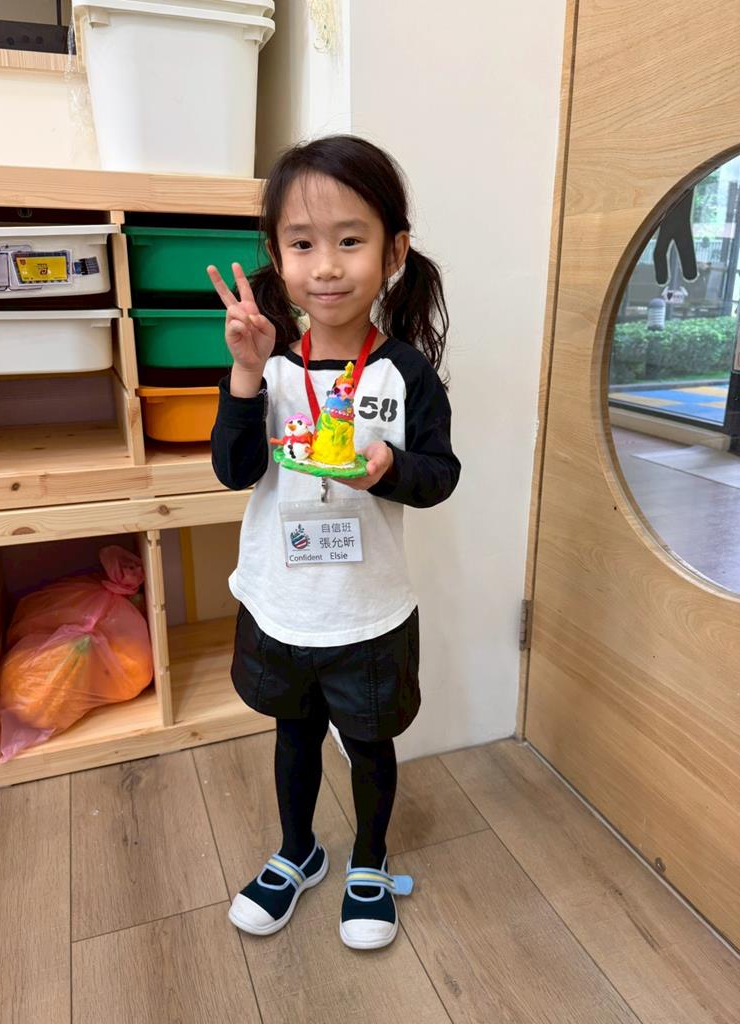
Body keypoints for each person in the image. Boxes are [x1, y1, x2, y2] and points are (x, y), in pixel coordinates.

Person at [209, 134, 460, 950]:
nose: (325, 266)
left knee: (368, 742)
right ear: (276, 257)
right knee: (292, 736)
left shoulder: (405, 374)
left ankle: (369, 860)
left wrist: (388, 468)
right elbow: (233, 470)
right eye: (301, 244)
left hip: (368, 610)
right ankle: (298, 852)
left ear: (393, 252)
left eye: (349, 241)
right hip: (279, 603)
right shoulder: (270, 367)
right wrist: (246, 376)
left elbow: (440, 477)